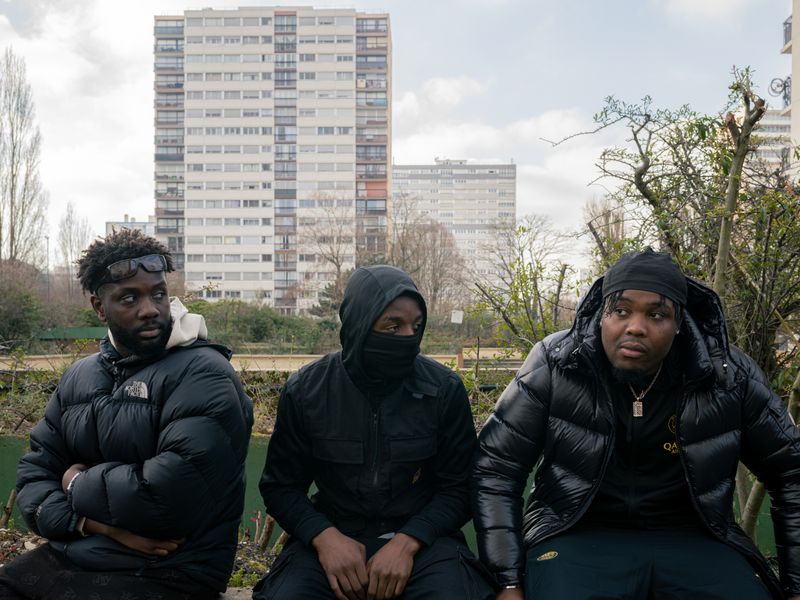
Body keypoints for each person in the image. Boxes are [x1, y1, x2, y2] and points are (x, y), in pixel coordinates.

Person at [471, 248, 800, 600]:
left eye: (657, 314)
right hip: (575, 533)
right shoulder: (557, 364)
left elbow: (790, 471)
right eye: (621, 311)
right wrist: (507, 581)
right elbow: (496, 468)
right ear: (601, 315)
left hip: (695, 537)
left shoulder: (727, 376)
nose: (636, 327)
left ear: (678, 323)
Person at [0, 229, 253, 600]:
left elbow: (165, 499)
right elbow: (33, 479)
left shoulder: (204, 373)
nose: (149, 308)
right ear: (99, 307)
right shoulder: (79, 376)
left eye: (159, 293)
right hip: (80, 551)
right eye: (129, 298)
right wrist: (92, 524)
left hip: (171, 570)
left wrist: (73, 482)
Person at [254, 265, 494, 600]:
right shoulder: (307, 390)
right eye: (393, 326)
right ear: (360, 324)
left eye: (416, 326)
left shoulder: (443, 389)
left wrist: (408, 543)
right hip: (333, 536)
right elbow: (280, 487)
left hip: (424, 543)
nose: (408, 337)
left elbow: (460, 488)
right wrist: (324, 538)